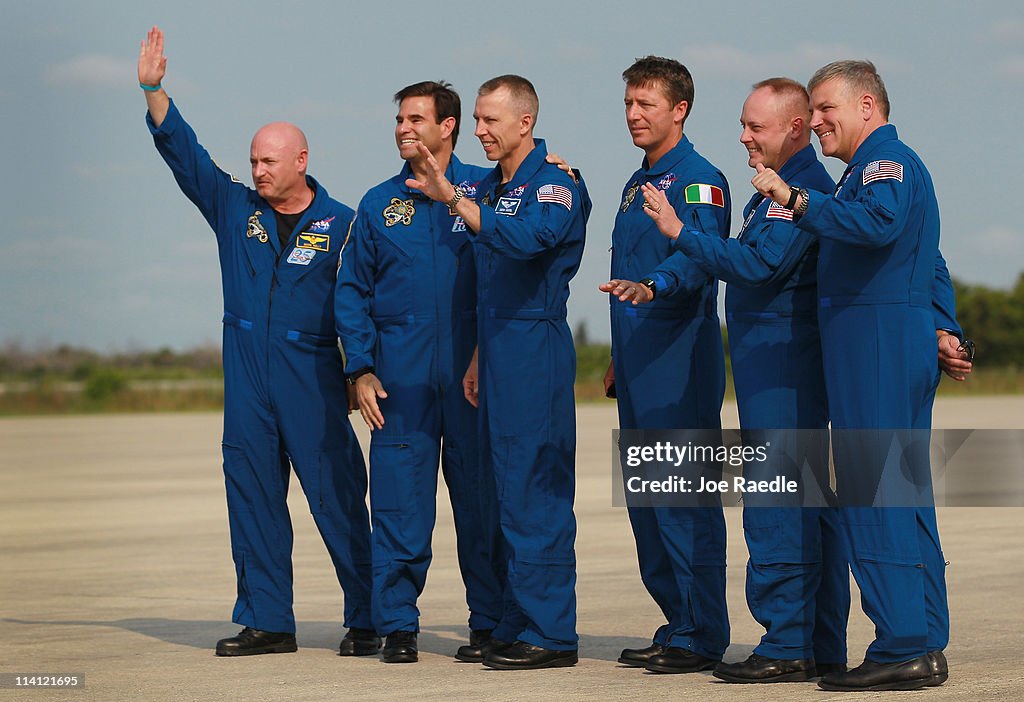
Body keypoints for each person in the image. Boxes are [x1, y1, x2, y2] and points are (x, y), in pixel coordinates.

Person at [138, 26, 376, 657]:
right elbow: (185, 156)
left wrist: (361, 371)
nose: (258, 171)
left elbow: (364, 307)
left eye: (269, 161)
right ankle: (267, 620)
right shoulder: (234, 209)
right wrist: (154, 90)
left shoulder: (346, 224)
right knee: (252, 498)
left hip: (313, 379)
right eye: (253, 161)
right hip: (248, 381)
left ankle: (370, 615)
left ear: (302, 160)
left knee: (340, 498)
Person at [752, 60, 965, 691]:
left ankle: (901, 643)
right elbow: (930, 260)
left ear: (866, 106)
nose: (816, 122)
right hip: (882, 343)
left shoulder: (882, 167)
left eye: (825, 109)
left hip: (874, 346)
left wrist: (794, 197)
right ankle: (923, 639)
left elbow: (880, 227)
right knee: (902, 494)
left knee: (876, 494)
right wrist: (944, 327)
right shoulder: (860, 179)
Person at [639, 78, 851, 682]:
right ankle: (815, 643)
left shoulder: (799, 190)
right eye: (743, 124)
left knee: (779, 506)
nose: (744, 136)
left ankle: (788, 645)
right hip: (769, 369)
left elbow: (760, 264)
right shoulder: (769, 191)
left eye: (755, 127)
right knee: (800, 506)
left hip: (784, 373)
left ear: (794, 127)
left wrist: (684, 234)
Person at [406, 75, 589, 670]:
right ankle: (515, 618)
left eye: (489, 121)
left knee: (536, 490)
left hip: (534, 345)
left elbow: (528, 240)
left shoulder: (555, 183)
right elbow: (487, 275)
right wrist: (480, 354)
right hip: (497, 351)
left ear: (525, 123)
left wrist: (456, 200)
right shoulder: (488, 184)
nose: (479, 131)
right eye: (477, 121)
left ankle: (552, 632)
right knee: (503, 492)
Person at [335, 81, 504, 664]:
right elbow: (351, 292)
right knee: (399, 506)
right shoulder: (378, 204)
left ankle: (490, 620)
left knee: (481, 502)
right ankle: (398, 625)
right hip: (399, 383)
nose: (404, 128)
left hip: (472, 379)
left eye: (416, 118)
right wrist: (359, 368)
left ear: (448, 126)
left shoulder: (487, 192)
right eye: (399, 119)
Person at [598, 56, 730, 675]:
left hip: (680, 358)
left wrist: (653, 286)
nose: (633, 115)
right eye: (628, 103)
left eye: (646, 104)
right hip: (638, 359)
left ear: (679, 109)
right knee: (648, 506)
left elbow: (700, 259)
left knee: (683, 498)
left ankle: (703, 632)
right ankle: (677, 621)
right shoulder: (634, 183)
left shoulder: (703, 180)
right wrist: (617, 355)